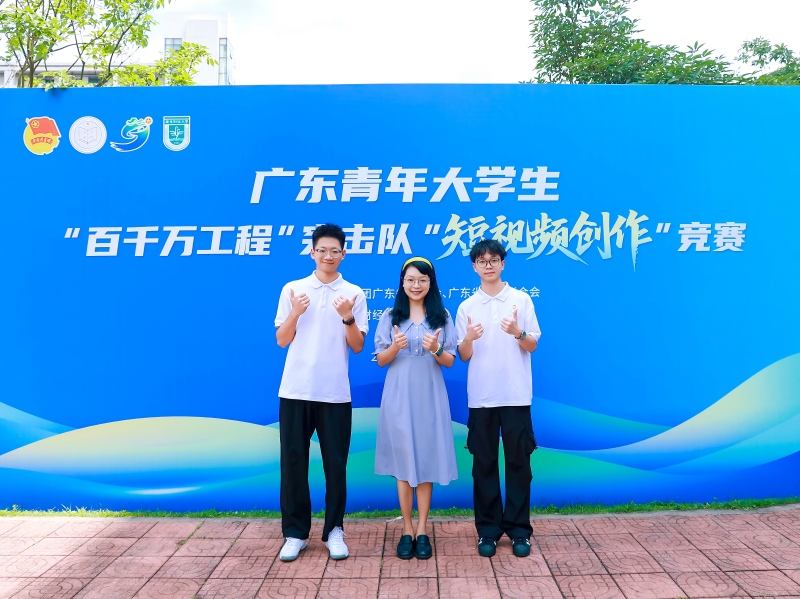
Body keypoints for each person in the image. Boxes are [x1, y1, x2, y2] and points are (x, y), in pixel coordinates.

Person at [274, 223, 368, 562]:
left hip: (334, 393)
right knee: (293, 463)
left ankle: (334, 530)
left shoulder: (354, 293)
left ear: (344, 254)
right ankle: (295, 533)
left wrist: (347, 318)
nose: (328, 256)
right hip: (296, 389)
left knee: (336, 465)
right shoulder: (293, 289)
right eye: (322, 250)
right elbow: (282, 339)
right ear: (312, 252)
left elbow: (357, 346)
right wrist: (296, 312)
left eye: (335, 251)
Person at [456, 239, 541, 559]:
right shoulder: (467, 306)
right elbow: (464, 355)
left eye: (494, 260)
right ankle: (488, 531)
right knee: (484, 465)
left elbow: (532, 345)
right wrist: (468, 338)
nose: (488, 265)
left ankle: (519, 531)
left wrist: (518, 332)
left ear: (503, 264)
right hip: (482, 397)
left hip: (516, 395)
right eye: (482, 261)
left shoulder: (521, 299)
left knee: (519, 464)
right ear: (474, 267)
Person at [374, 257, 458, 560]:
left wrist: (436, 349)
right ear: (402, 283)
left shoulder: (442, 316)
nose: (416, 285)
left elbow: (450, 361)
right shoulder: (391, 315)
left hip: (429, 394)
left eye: (422, 280)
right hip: (399, 394)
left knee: (425, 459)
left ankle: (423, 529)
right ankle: (406, 529)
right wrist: (395, 347)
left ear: (430, 283)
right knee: (403, 462)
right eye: (410, 280)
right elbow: (381, 360)